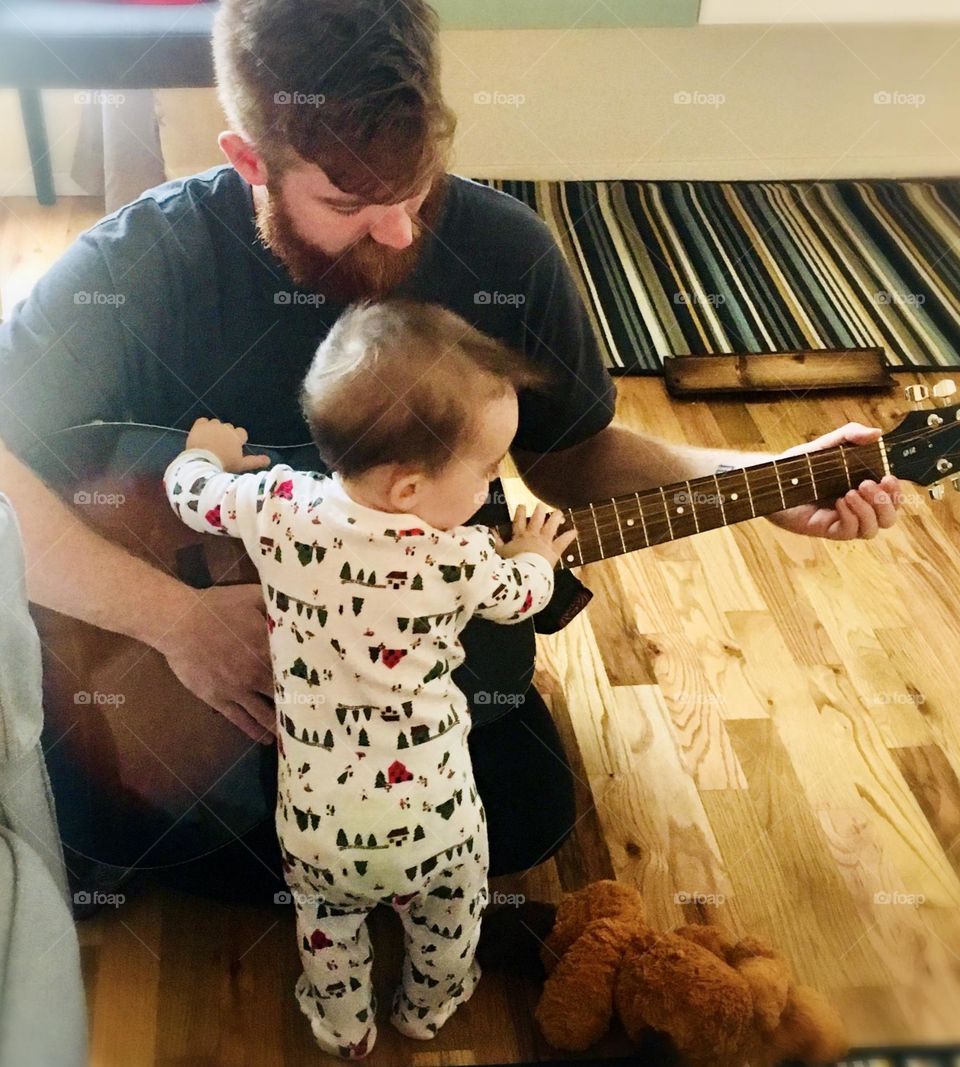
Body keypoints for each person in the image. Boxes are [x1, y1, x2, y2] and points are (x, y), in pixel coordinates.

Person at [0, 0, 901, 914]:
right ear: (250, 163)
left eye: (416, 184)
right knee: (109, 809)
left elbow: (574, 460)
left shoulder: (510, 250)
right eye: (348, 204)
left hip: (396, 676)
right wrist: (176, 622)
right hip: (173, 673)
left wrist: (755, 483)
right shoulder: (146, 262)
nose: (397, 231)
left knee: (526, 815)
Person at [161, 298, 578, 1057]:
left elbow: (188, 496)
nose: (494, 483)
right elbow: (522, 600)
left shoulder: (278, 503)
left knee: (327, 924)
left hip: (318, 818)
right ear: (410, 490)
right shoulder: (459, 558)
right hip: (438, 817)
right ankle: (430, 1004)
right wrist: (536, 552)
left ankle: (341, 1024)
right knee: (453, 918)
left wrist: (203, 456)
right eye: (488, 467)